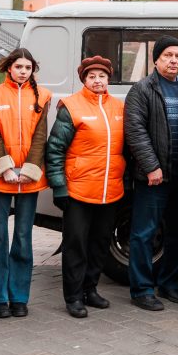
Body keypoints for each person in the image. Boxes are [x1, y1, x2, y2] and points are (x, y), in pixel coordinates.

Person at [45, 56, 126, 318]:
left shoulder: (118, 107)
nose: (97, 80)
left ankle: (91, 290)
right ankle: (73, 296)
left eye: (102, 76)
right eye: (92, 76)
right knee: (75, 245)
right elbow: (55, 149)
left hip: (110, 190)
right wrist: (59, 186)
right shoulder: (71, 106)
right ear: (84, 80)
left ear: (108, 79)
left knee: (100, 244)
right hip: (78, 190)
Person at [124, 36, 178, 311]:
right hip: (154, 176)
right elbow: (135, 131)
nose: (173, 60)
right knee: (144, 233)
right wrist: (151, 166)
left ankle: (168, 283)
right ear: (156, 59)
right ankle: (141, 289)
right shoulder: (142, 90)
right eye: (167, 55)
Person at [0, 48, 51, 319]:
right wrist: (5, 166)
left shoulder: (42, 96)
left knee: (23, 238)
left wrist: (30, 169)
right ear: (9, 67)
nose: (23, 71)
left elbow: (40, 135)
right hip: (1, 176)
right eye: (19, 66)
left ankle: (19, 296)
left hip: (29, 178)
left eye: (28, 67)